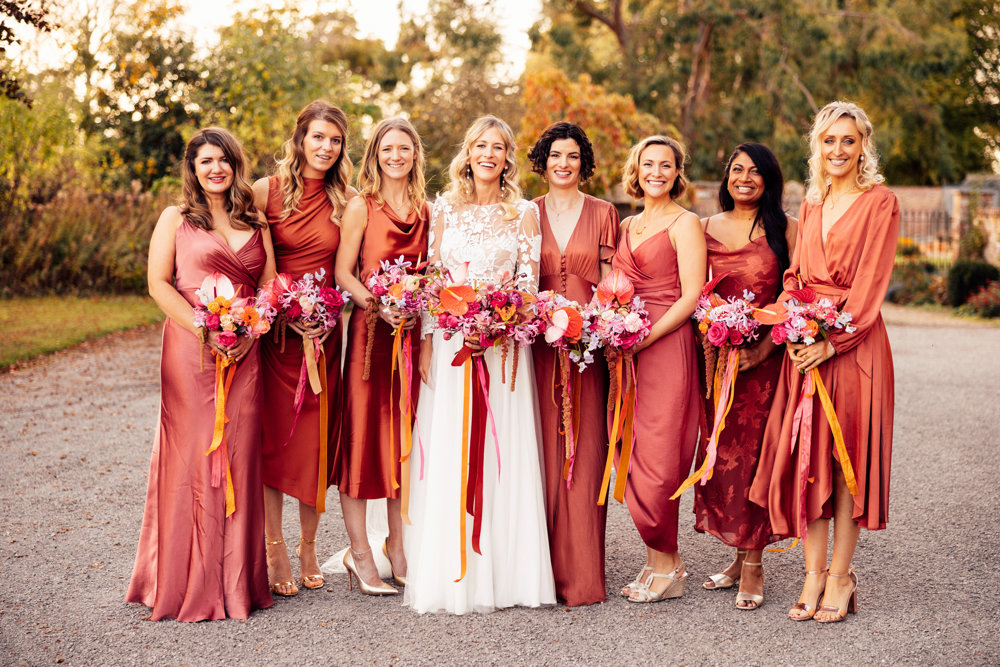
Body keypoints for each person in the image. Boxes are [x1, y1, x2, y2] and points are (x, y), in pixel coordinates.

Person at [749, 101, 899, 622]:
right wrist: (790, 320)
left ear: (863, 147)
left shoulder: (881, 203)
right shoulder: (812, 202)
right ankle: (811, 575)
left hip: (852, 348)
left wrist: (831, 343)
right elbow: (796, 274)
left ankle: (840, 577)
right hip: (805, 346)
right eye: (829, 140)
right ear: (818, 146)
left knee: (843, 460)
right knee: (809, 462)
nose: (838, 150)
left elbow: (871, 284)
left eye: (848, 140)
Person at [404, 115, 555, 614]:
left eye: (498, 147)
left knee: (502, 450)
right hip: (451, 344)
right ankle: (451, 572)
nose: (488, 154)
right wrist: (430, 340)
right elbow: (433, 279)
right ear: (467, 153)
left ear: (508, 157)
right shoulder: (444, 208)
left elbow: (528, 287)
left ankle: (508, 575)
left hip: (503, 348)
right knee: (451, 447)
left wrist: (496, 323)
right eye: (480, 145)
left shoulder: (524, 212)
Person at [126, 127, 276, 621]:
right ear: (192, 168)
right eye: (205, 161)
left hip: (246, 349)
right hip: (191, 350)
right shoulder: (175, 218)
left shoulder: (255, 219)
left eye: (223, 159)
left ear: (235, 165)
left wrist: (253, 327)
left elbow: (269, 283)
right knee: (193, 455)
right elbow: (158, 283)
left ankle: (237, 582)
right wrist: (205, 328)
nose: (216, 168)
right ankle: (184, 580)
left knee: (240, 452)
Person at [252, 101, 355, 597]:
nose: (326, 147)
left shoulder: (349, 199)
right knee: (274, 439)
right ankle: (273, 546)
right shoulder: (264, 191)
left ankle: (308, 545)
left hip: (325, 332)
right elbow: (259, 262)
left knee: (315, 442)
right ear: (300, 139)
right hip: (279, 334)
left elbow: (349, 268)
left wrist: (327, 314)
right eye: (318, 137)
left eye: (335, 140)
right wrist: (284, 309)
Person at [693, 143, 797, 610]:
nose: (745, 178)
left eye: (755, 171)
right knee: (723, 459)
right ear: (726, 176)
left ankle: (754, 564)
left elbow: (795, 292)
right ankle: (739, 557)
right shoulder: (703, 227)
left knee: (756, 460)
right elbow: (694, 289)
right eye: (737, 169)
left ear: (769, 179)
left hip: (766, 365)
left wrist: (763, 348)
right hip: (716, 363)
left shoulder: (786, 228)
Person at [333, 117, 430, 595]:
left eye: (404, 148)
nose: (396, 156)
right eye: (387, 148)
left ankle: (398, 547)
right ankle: (360, 554)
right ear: (375, 155)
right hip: (370, 337)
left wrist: (416, 304)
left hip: (410, 337)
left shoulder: (427, 210)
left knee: (401, 443)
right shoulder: (361, 206)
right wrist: (378, 304)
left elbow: (433, 274)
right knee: (362, 440)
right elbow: (343, 272)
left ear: (415, 155)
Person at [526, 122, 618, 606]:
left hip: (588, 352)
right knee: (540, 451)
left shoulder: (604, 213)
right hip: (537, 351)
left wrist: (596, 323)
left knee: (586, 452)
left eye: (573, 156)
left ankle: (581, 576)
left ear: (584, 164)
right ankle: (538, 574)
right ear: (543, 162)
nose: (564, 164)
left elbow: (612, 284)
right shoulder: (526, 213)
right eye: (556, 155)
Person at [612, 135, 705, 604]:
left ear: (677, 172)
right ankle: (656, 560)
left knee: (663, 457)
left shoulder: (685, 223)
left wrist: (644, 338)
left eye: (665, 165)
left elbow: (691, 296)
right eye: (648, 164)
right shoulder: (627, 224)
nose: (656, 172)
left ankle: (671, 564)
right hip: (627, 350)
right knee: (632, 454)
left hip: (666, 348)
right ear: (637, 170)